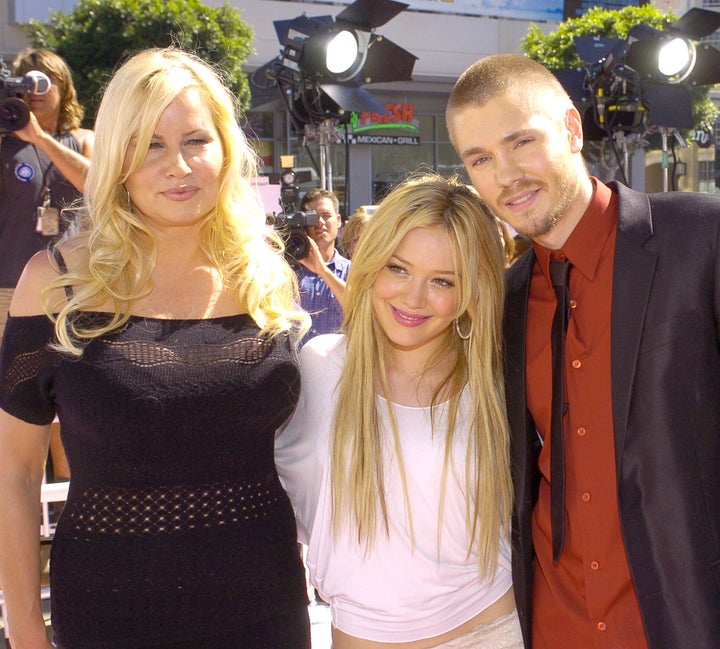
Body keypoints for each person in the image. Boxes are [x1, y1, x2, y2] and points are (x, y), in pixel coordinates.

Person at [0, 47, 312, 649]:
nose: (179, 166)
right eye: (150, 144)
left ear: (226, 150)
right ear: (116, 156)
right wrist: (26, 630)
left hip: (264, 607)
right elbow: (13, 473)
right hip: (108, 612)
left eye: (197, 140)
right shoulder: (55, 282)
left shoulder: (266, 276)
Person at [446, 53, 720, 649]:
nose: (507, 174)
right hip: (554, 622)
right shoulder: (505, 300)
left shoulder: (701, 238)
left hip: (682, 617)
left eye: (522, 141)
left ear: (572, 128)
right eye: (481, 159)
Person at [276, 172, 523, 649]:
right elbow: (291, 503)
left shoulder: (497, 382)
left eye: (442, 281)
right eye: (398, 268)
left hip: (494, 630)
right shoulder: (320, 368)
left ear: (471, 290)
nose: (413, 298)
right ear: (370, 264)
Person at [0, 48, 93, 339]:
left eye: (47, 79)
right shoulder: (5, 143)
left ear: (64, 88)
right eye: (26, 81)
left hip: (72, 284)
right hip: (8, 281)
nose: (37, 89)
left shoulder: (83, 139)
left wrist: (39, 138)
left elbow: (96, 183)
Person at [295, 187, 350, 344]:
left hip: (340, 365)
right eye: (313, 217)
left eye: (326, 216)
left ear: (338, 220)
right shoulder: (287, 272)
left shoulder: (352, 270)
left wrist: (323, 271)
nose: (320, 223)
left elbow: (358, 308)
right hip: (297, 365)